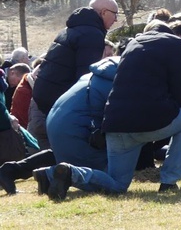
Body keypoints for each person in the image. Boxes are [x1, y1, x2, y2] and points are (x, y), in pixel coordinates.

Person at [33, 20, 181, 200]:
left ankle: (68, 173)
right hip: (147, 121)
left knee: (117, 184)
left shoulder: (133, 44)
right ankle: (169, 181)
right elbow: (180, 92)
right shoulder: (177, 46)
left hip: (114, 123)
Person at [0, 57, 119, 195]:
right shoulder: (106, 77)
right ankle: (39, 173)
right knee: (81, 157)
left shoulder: (86, 74)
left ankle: (17, 171)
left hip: (58, 117)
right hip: (62, 121)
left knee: (62, 152)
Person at [30, 0, 119, 148]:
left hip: (43, 97)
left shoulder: (70, 29)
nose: (116, 20)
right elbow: (86, 78)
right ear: (104, 12)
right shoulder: (92, 35)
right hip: (60, 100)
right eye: (115, 14)